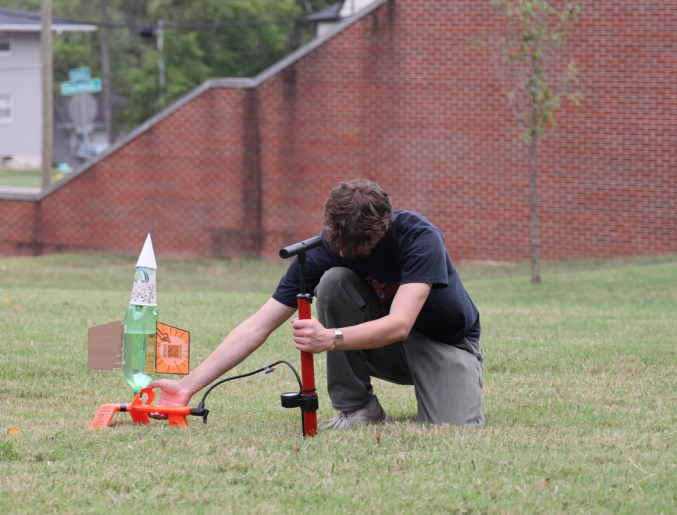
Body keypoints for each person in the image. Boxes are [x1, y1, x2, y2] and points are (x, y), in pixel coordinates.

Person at [150, 178, 485, 428]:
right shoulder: (327, 247)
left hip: (445, 344)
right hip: (384, 351)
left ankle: (451, 387)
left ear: (382, 228)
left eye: (356, 246)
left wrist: (330, 339)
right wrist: (185, 386)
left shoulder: (418, 237)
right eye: (337, 242)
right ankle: (357, 409)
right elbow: (259, 324)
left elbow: (400, 325)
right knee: (334, 280)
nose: (342, 251)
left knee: (453, 429)